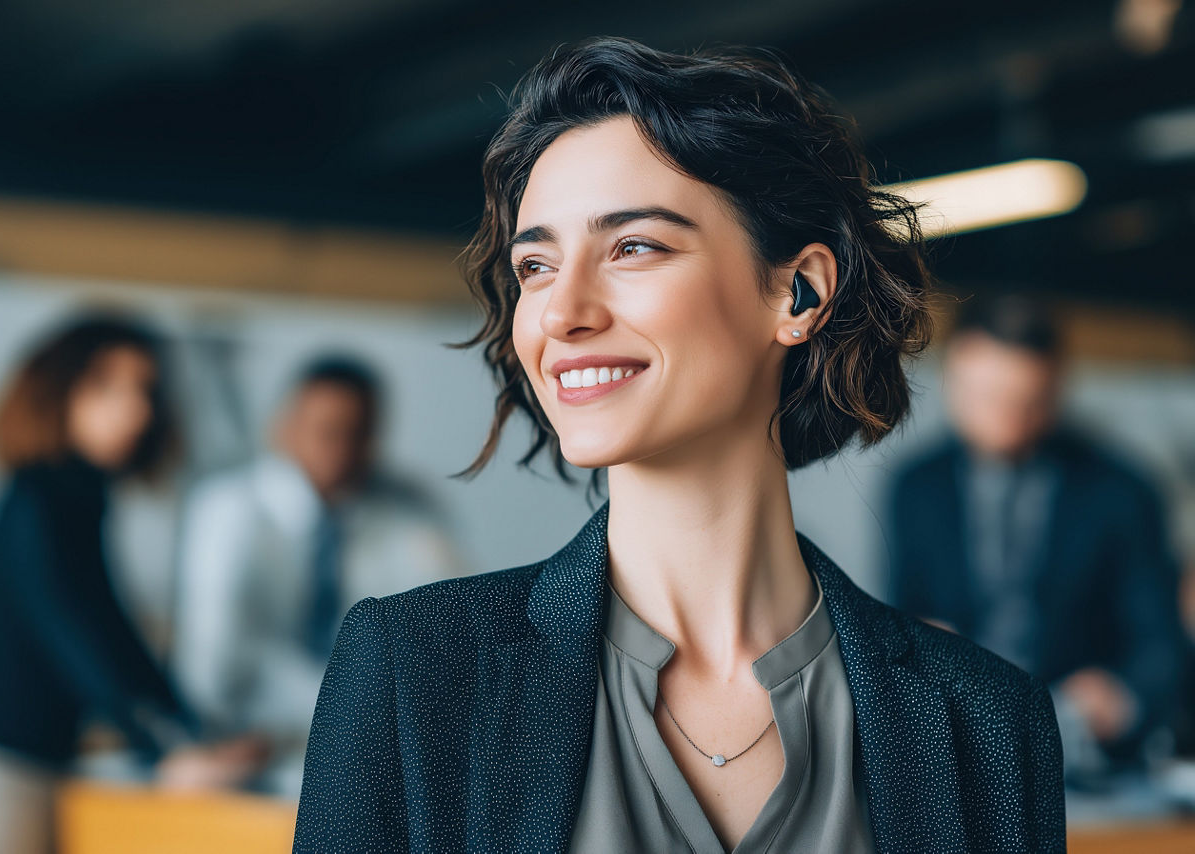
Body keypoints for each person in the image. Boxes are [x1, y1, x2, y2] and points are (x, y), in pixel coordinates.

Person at [294, 37, 1065, 853]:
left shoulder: (985, 720)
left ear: (797, 290)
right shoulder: (412, 672)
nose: (561, 313)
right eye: (535, 264)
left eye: (634, 246)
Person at [0, 313, 262, 854]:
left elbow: (113, 631)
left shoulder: (80, 502)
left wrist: (188, 728)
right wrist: (165, 746)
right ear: (58, 394)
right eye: (106, 385)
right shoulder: (36, 498)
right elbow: (73, 632)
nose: (137, 409)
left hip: (39, 774)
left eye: (146, 390)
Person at [887, 295, 1188, 776]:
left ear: (1055, 388)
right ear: (953, 380)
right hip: (953, 742)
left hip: (1080, 748)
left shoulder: (1122, 490)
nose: (1006, 420)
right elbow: (898, 613)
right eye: (987, 397)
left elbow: (1159, 644)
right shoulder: (917, 487)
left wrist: (1122, 695)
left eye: (1025, 402)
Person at [173, 354, 462, 797]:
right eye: (327, 431)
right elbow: (213, 667)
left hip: (364, 753)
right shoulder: (228, 510)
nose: (343, 449)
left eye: (359, 434)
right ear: (283, 429)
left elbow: (444, 635)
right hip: (241, 751)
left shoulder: (407, 512)